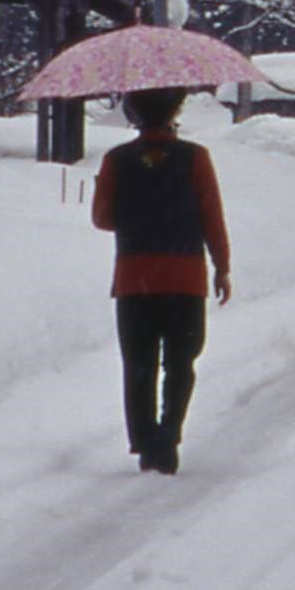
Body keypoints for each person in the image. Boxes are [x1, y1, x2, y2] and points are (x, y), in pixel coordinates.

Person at [89, 90, 231, 473]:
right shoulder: (196, 158)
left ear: (133, 115)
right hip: (185, 277)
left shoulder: (117, 160)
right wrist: (222, 266)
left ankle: (145, 441)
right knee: (181, 361)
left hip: (136, 279)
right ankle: (169, 434)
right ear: (175, 112)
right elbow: (211, 217)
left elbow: (102, 218)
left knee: (139, 363)